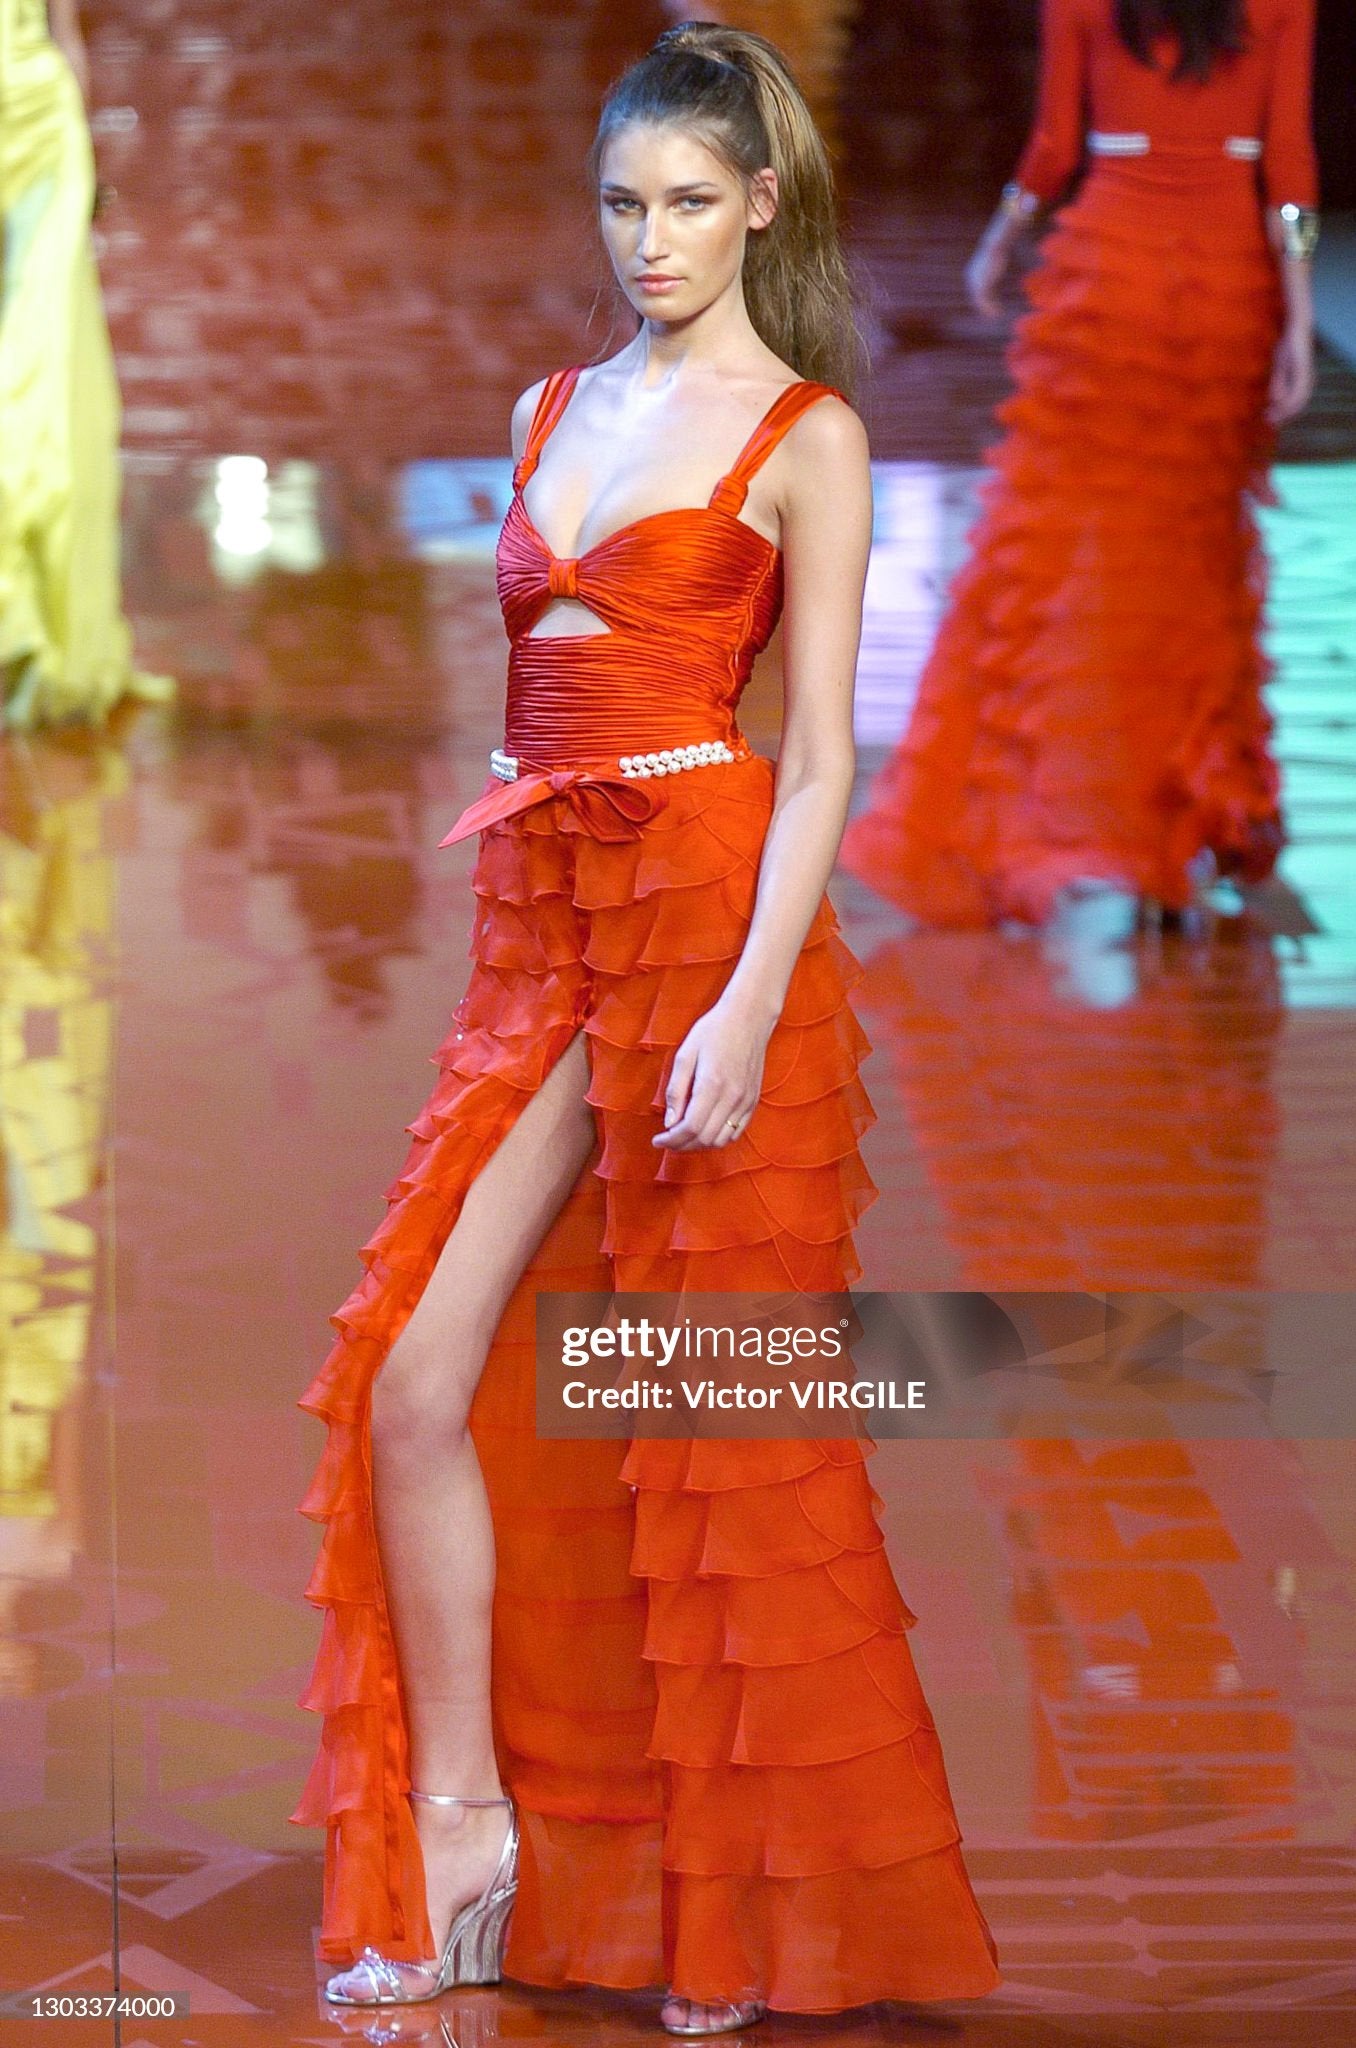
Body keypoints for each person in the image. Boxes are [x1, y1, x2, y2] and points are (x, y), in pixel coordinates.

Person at [291, 22, 1000, 2038]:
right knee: (415, 1380)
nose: (653, 238)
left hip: (701, 928)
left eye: (691, 201)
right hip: (538, 931)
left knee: (704, 1428)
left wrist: (753, 999)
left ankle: (728, 1906)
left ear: (764, 205)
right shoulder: (547, 407)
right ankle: (471, 1827)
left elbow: (821, 756)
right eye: (624, 202)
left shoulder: (809, 436)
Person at [838, 0, 1319, 930]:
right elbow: (1289, 160)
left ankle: (1045, 809)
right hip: (1225, 283)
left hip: (1109, 278)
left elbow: (1056, 144)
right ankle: (1182, 809)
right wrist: (1297, 316)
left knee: (1062, 550)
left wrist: (999, 238)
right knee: (1191, 555)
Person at [0, 0, 173, 729]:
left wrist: (85, 159)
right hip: (41, 114)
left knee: (37, 365)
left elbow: (63, 27)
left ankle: (29, 614)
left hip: (44, 128)